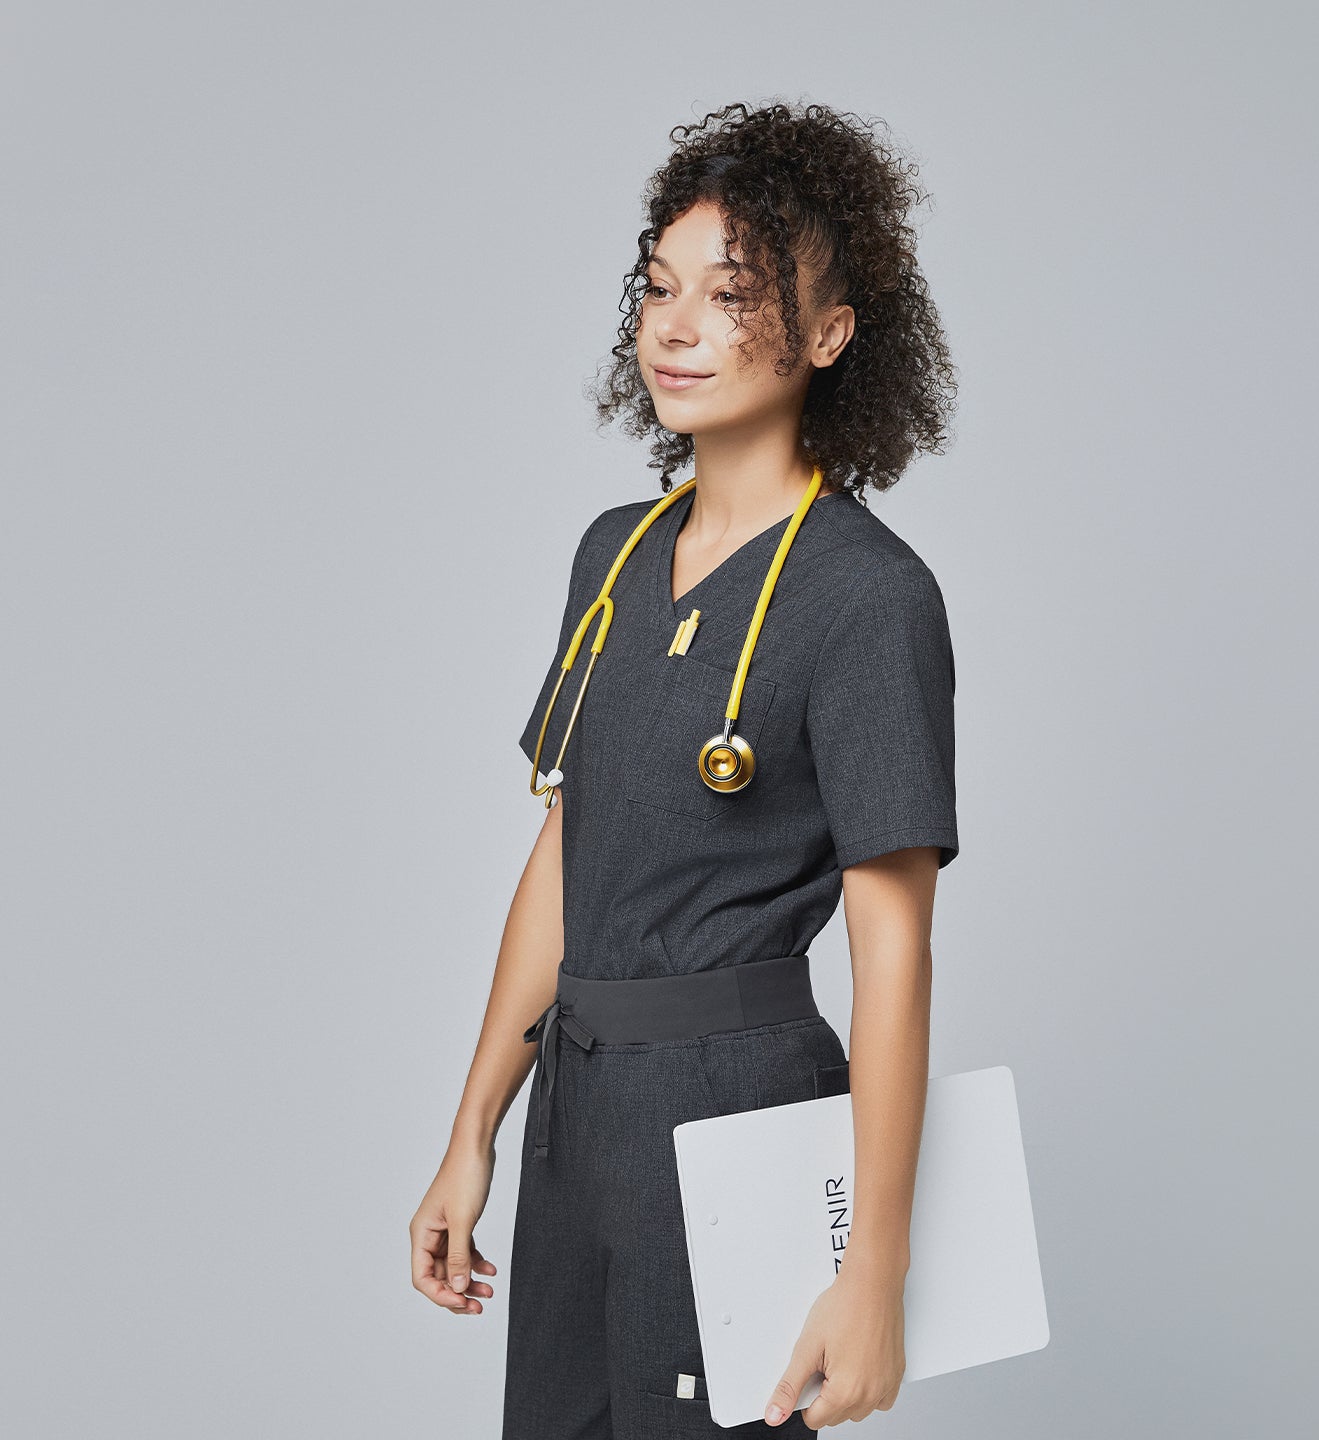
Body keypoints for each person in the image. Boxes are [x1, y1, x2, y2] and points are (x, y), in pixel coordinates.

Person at [409, 99, 961, 1438]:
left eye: (731, 295)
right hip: (577, 1113)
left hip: (738, 1112)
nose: (675, 326)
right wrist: (473, 1133)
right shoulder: (612, 554)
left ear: (830, 334)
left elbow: (892, 952)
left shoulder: (866, 596)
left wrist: (873, 1273)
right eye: (659, 288)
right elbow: (568, 851)